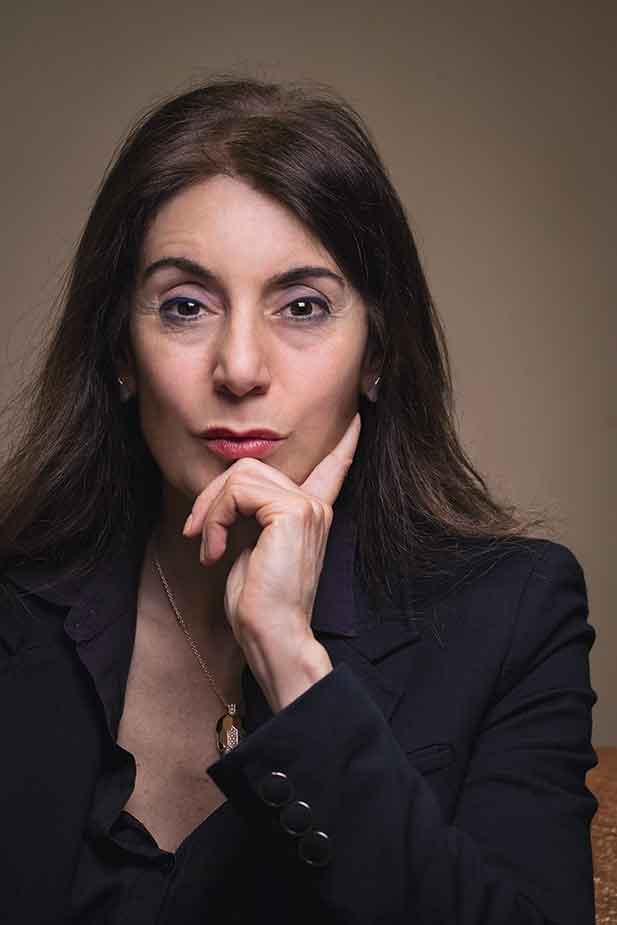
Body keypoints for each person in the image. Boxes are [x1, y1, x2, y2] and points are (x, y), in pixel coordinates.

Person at [0, 76, 598, 924]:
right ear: (121, 354)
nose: (240, 368)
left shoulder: (513, 613)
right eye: (185, 306)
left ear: (376, 354)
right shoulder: (15, 602)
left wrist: (293, 664)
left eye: (303, 306)